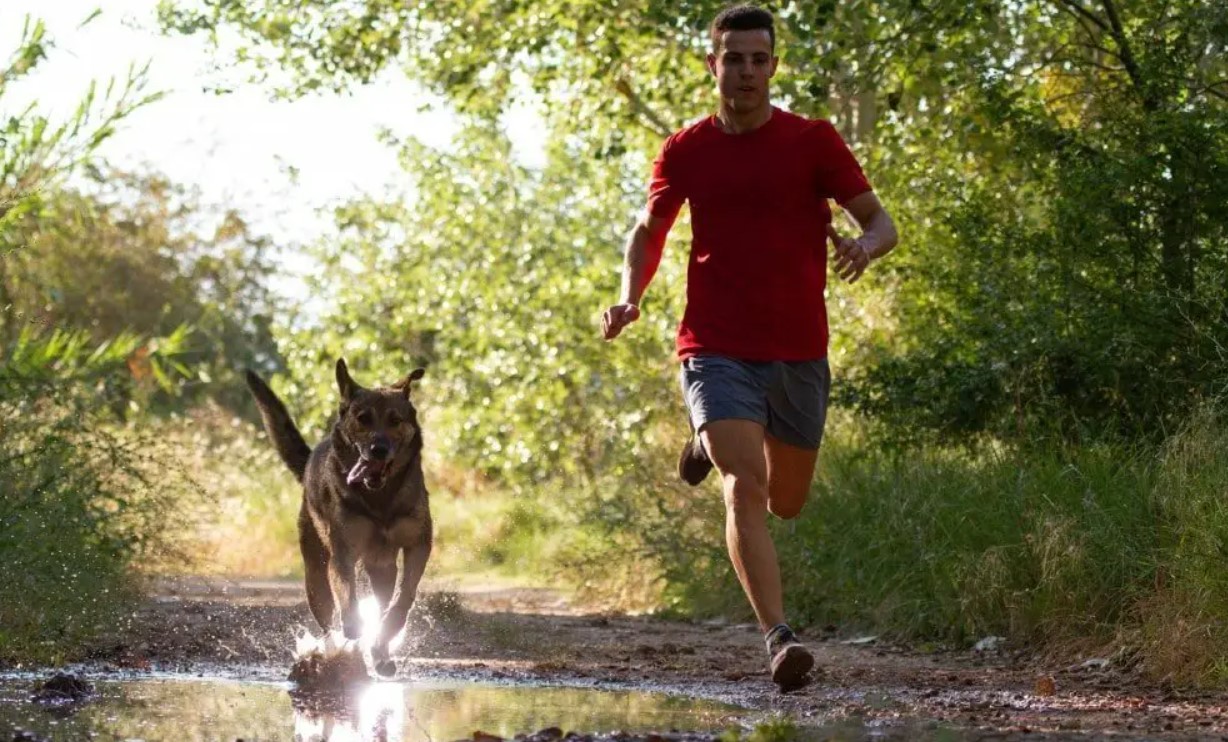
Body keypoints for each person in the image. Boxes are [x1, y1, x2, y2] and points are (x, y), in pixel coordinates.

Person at [600, 4, 899, 689]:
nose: (745, 71)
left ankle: (704, 442)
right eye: (732, 58)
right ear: (713, 65)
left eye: (757, 59)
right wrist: (631, 294)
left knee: (787, 500)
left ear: (773, 66)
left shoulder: (812, 142)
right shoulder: (687, 149)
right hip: (715, 346)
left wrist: (865, 247)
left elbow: (882, 223)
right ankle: (778, 638)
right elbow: (649, 232)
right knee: (747, 487)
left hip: (798, 351)